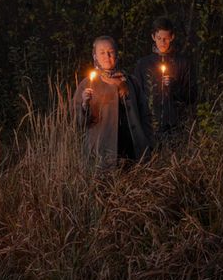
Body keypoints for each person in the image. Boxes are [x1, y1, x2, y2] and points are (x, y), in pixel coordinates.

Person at [73, 37, 151, 170]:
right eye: (102, 52)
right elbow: (79, 123)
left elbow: (145, 115)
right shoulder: (87, 84)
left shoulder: (131, 81)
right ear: (95, 56)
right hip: (101, 153)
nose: (107, 56)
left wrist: (149, 142)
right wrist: (85, 104)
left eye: (111, 52)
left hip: (133, 152)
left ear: (117, 54)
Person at [132, 17, 196, 145]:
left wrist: (174, 87)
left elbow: (192, 95)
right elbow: (136, 94)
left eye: (166, 38)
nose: (162, 42)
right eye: (159, 38)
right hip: (149, 125)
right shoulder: (143, 64)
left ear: (172, 37)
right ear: (153, 37)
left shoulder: (182, 63)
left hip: (175, 125)